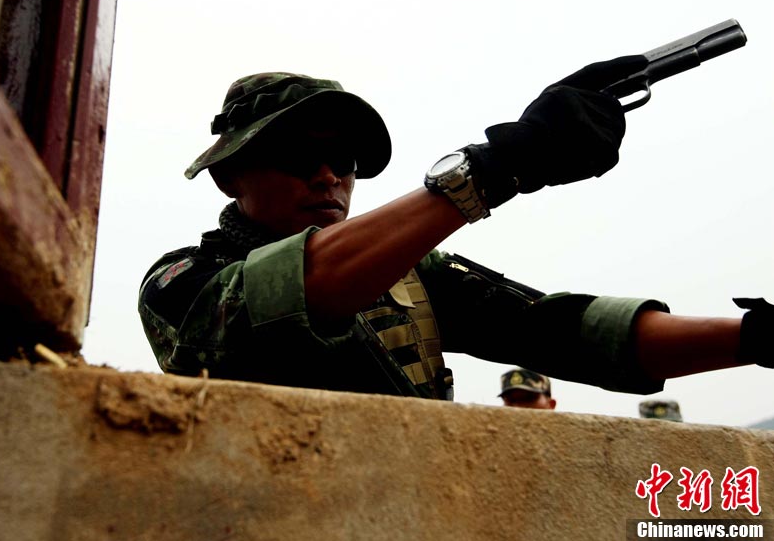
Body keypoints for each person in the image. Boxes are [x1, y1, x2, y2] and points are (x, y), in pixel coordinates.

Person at [138, 63, 774, 401]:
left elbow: (561, 330)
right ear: (229, 177)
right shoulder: (179, 283)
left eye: (344, 160)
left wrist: (753, 337)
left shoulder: (413, 275)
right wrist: (498, 167)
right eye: (300, 157)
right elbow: (295, 290)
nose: (328, 176)